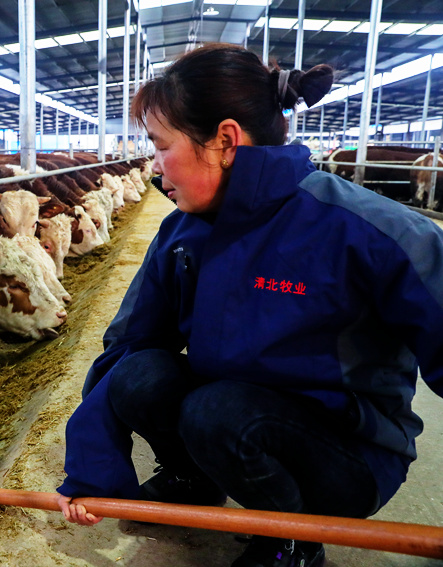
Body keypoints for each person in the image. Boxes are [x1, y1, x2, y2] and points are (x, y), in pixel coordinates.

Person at [52, 42, 443, 567]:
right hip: (237, 420)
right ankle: (193, 479)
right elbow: (131, 345)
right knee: (140, 374)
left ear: (225, 142)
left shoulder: (373, 232)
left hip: (349, 452)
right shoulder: (182, 233)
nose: (154, 168)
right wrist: (93, 469)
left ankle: (292, 538)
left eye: (161, 145)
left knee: (218, 412)